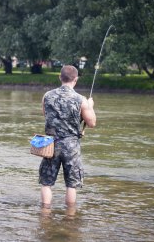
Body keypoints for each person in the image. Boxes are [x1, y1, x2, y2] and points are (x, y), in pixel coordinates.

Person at [39, 65, 96, 211]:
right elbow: (92, 123)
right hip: (71, 146)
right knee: (71, 185)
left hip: (50, 145)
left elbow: (46, 116)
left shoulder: (47, 95)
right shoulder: (81, 99)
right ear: (75, 79)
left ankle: (45, 214)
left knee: (46, 183)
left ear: (60, 77)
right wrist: (90, 106)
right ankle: (70, 217)